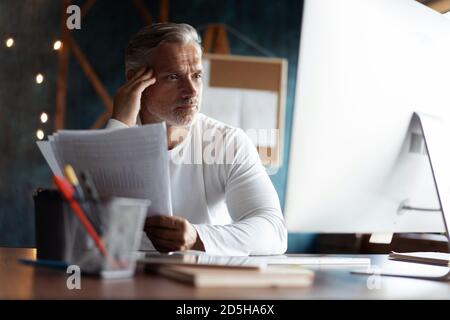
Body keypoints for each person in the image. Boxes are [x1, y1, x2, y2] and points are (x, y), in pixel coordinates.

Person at [106, 22, 287, 255]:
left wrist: (197, 237)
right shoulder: (114, 137)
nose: (192, 91)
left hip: (205, 285)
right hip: (125, 284)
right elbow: (87, 230)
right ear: (135, 80)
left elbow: (275, 232)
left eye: (197, 75)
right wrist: (119, 124)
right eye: (173, 77)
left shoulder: (228, 143)